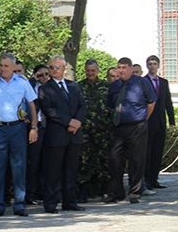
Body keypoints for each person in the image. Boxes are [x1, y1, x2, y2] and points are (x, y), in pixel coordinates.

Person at [0, 52, 38, 217]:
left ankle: (19, 204)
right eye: (1, 65)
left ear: (14, 67)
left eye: (6, 66)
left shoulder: (22, 82)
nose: (3, 69)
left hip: (17, 128)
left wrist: (34, 127)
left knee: (19, 167)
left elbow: (32, 105)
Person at [36, 55, 87, 213]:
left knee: (71, 169)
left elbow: (82, 105)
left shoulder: (74, 86)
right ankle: (51, 203)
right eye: (51, 67)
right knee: (53, 171)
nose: (53, 70)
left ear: (64, 69)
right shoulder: (45, 88)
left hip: (74, 134)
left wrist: (77, 121)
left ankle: (70, 201)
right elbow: (49, 110)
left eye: (57, 67)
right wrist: (68, 122)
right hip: (57, 134)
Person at [105, 58, 156, 204]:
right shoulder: (114, 86)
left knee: (137, 160)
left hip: (137, 126)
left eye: (124, 67)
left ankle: (135, 192)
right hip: (119, 127)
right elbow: (110, 105)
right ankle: (116, 192)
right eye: (119, 67)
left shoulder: (141, 82)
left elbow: (151, 102)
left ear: (130, 68)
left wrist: (144, 118)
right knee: (114, 158)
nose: (121, 70)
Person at [78, 59, 112, 200]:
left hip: (103, 129)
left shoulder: (106, 86)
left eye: (93, 70)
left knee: (104, 159)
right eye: (88, 70)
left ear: (97, 71)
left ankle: (104, 189)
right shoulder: (78, 86)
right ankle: (84, 191)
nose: (90, 73)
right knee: (85, 160)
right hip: (85, 130)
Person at [144, 55, 175, 190]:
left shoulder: (163, 82)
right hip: (148, 122)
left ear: (158, 65)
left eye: (154, 63)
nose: (152, 66)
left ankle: (154, 178)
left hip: (161, 121)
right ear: (147, 66)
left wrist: (172, 120)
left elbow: (168, 102)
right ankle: (146, 180)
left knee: (158, 151)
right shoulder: (142, 81)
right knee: (148, 152)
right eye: (150, 64)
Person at [26, 64, 49, 205]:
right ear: (34, 75)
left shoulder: (51, 88)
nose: (44, 77)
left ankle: (43, 192)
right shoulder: (30, 87)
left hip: (48, 127)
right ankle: (30, 194)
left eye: (47, 74)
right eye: (40, 75)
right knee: (33, 161)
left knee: (46, 161)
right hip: (34, 126)